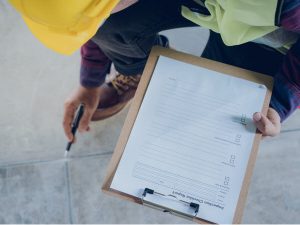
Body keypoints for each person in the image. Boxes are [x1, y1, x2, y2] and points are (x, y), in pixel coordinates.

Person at [8, 0, 300, 144]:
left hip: (271, 28)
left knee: (222, 125)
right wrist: (90, 80)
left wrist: (280, 101)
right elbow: (99, 15)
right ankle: (135, 73)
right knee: (116, 21)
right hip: (214, 7)